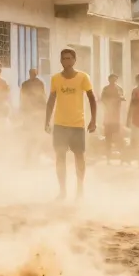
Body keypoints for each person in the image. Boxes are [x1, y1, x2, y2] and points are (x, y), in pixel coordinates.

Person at [45, 49, 96, 199]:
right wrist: (47, 120)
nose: (66, 61)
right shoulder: (55, 79)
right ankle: (62, 191)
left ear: (74, 60)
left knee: (79, 156)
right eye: (63, 59)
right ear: (60, 61)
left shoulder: (83, 77)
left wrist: (93, 120)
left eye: (69, 58)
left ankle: (80, 189)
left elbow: (92, 99)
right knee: (60, 157)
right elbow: (51, 100)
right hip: (60, 124)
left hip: (77, 124)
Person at [100, 74, 125, 163]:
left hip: (117, 118)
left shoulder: (119, 89)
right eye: (111, 79)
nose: (113, 81)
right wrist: (111, 102)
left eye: (115, 79)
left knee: (119, 139)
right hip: (108, 118)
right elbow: (102, 99)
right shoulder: (106, 89)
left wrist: (118, 99)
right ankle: (108, 159)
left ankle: (122, 158)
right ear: (109, 80)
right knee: (108, 139)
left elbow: (122, 98)